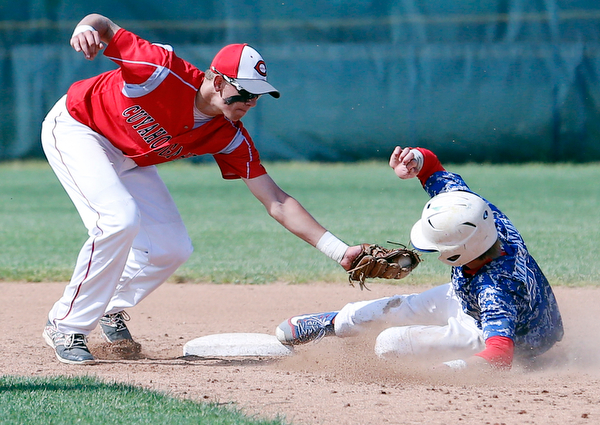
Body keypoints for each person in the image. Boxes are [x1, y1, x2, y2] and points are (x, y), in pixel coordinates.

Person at [41, 13, 363, 365]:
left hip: (130, 158)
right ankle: (64, 323)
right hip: (78, 128)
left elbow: (277, 200)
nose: (250, 103)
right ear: (218, 80)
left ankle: (107, 308)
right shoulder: (160, 69)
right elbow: (103, 24)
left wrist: (339, 251)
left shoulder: (228, 135)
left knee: (171, 248)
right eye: (244, 92)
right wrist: (85, 29)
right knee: (118, 219)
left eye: (258, 97)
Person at [276, 146, 564, 370]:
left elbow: (500, 354)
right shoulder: (476, 213)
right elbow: (432, 165)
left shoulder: (495, 291)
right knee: (403, 306)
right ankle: (334, 322)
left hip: (494, 333)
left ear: (458, 253)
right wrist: (413, 158)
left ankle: (531, 360)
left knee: (389, 345)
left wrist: (446, 371)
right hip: (469, 296)